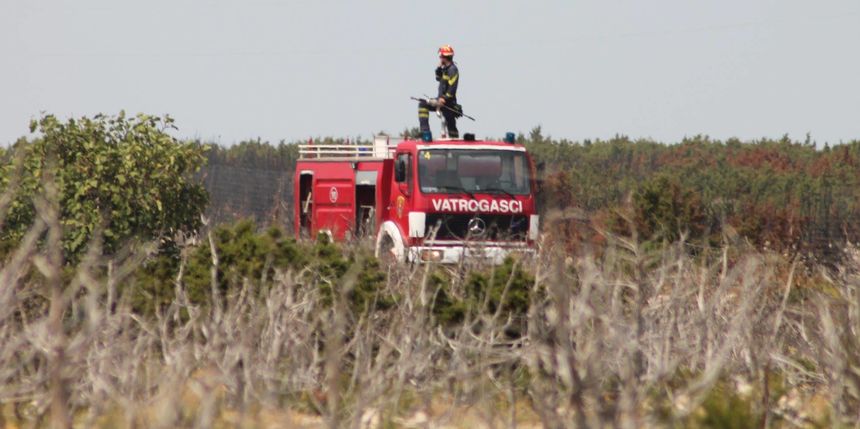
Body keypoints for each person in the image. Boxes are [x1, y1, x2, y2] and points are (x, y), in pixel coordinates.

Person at [418, 44, 461, 138]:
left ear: (444, 57)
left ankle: (455, 139)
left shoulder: (453, 70)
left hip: (448, 103)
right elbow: (438, 78)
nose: (439, 58)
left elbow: (452, 89)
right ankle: (425, 132)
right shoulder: (445, 69)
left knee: (450, 122)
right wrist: (438, 68)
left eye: (441, 56)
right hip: (441, 100)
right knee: (423, 104)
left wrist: (443, 99)